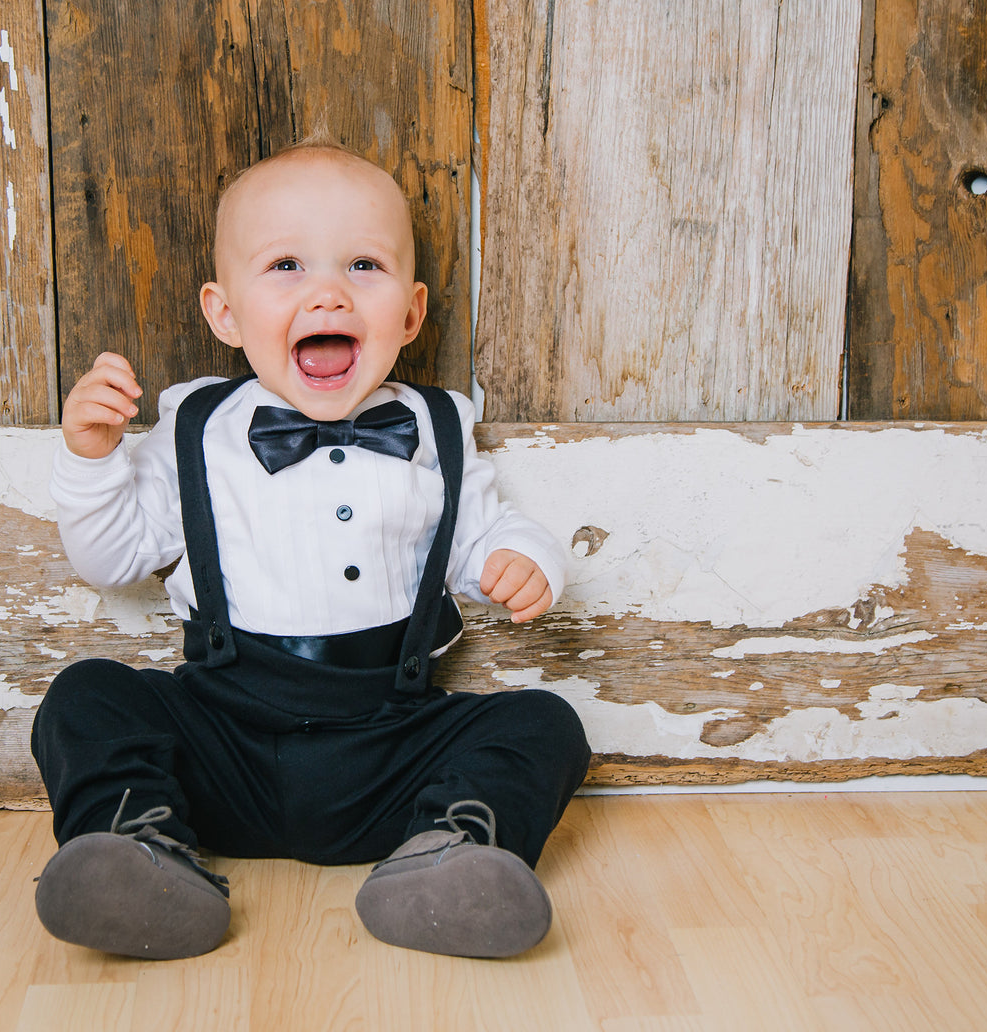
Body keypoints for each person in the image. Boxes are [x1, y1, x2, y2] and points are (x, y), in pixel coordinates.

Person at [33, 142, 591, 960]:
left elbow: (483, 531)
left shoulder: (437, 431)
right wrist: (91, 456)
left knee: (545, 724)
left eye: (363, 265)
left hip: (392, 748)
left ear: (408, 312)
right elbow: (109, 559)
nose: (327, 290)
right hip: (221, 744)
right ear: (225, 313)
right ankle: (139, 847)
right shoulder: (192, 432)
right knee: (86, 697)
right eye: (286, 265)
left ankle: (449, 853)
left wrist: (525, 559)